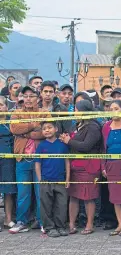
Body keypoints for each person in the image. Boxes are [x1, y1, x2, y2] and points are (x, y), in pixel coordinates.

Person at [9, 86, 51, 234]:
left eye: (31, 96)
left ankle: (42, 222)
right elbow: (14, 129)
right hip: (22, 158)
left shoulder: (44, 113)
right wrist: (33, 125)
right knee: (23, 192)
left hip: (40, 160)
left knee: (41, 192)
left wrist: (26, 133)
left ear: (38, 97)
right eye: (25, 96)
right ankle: (22, 222)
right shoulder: (16, 113)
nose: (28, 99)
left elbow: (46, 132)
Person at [60, 99, 102, 235]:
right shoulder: (77, 125)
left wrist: (69, 141)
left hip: (89, 166)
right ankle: (72, 224)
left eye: (76, 110)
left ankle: (90, 225)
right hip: (75, 166)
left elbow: (86, 146)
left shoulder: (93, 127)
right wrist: (66, 139)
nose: (74, 112)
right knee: (73, 196)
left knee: (88, 197)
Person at [101, 100, 121, 236]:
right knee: (114, 197)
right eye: (111, 108)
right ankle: (119, 223)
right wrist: (103, 165)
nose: (113, 111)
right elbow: (104, 148)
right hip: (111, 164)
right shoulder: (106, 126)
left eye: (116, 108)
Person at [34, 121, 70, 237]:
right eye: (44, 129)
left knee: (61, 205)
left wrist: (68, 178)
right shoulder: (41, 146)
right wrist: (40, 179)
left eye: (50, 127)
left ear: (56, 129)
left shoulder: (62, 145)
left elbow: (67, 162)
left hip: (60, 180)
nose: (47, 130)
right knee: (46, 205)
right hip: (46, 180)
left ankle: (61, 226)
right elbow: (37, 164)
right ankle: (49, 227)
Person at [0, 96, 17, 231]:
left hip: (9, 160)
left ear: (6, 107)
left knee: (9, 190)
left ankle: (8, 219)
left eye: (1, 105)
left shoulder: (12, 122)